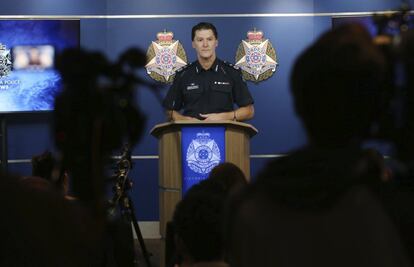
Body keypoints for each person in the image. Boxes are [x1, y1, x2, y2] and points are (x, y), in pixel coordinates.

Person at [163, 22, 254, 122]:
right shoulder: (183, 74)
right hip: (190, 133)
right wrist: (186, 120)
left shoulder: (232, 72)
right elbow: (169, 111)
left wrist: (224, 117)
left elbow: (249, 111)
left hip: (225, 133)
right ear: (193, 44)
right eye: (200, 40)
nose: (205, 44)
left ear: (216, 42)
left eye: (209, 39)